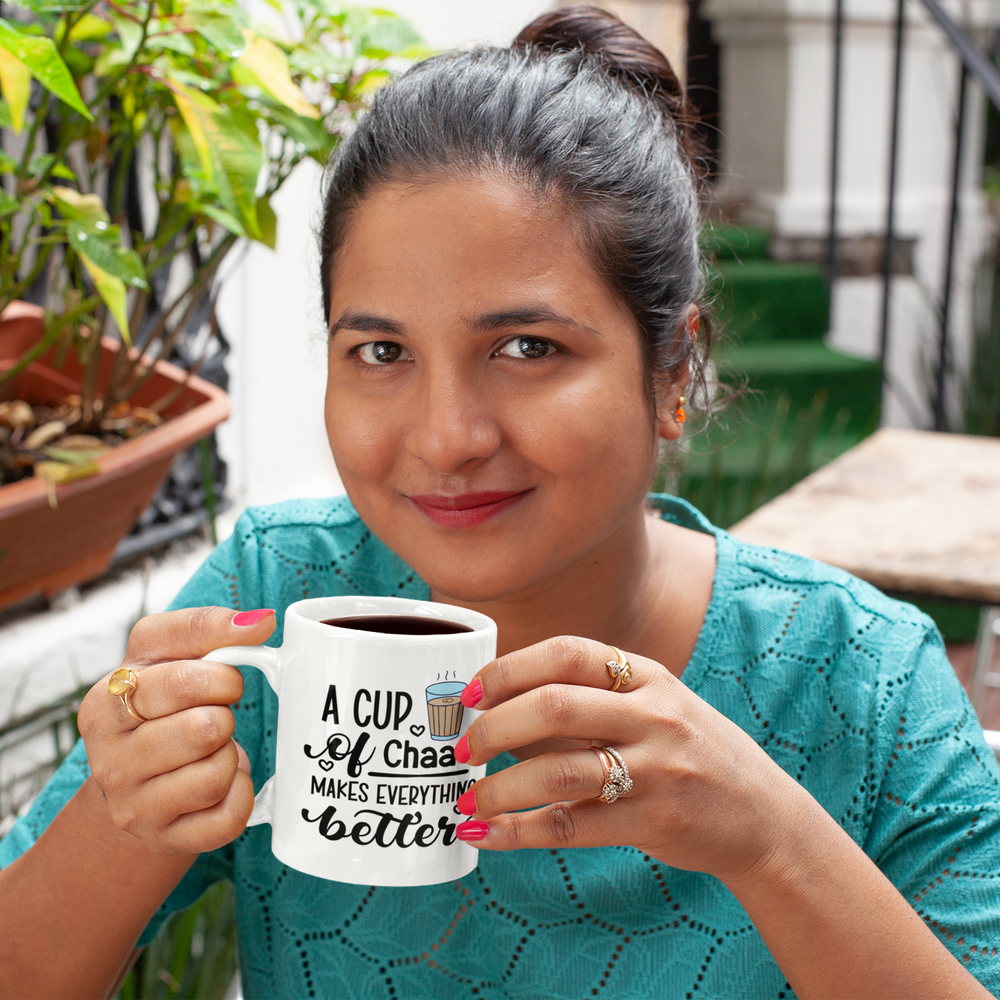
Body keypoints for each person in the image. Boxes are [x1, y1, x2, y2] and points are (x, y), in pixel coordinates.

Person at [1, 7, 999, 999]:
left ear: (671, 370)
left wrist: (766, 839)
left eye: (528, 348)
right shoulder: (282, 593)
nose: (445, 436)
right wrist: (119, 816)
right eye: (381, 352)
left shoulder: (856, 681)